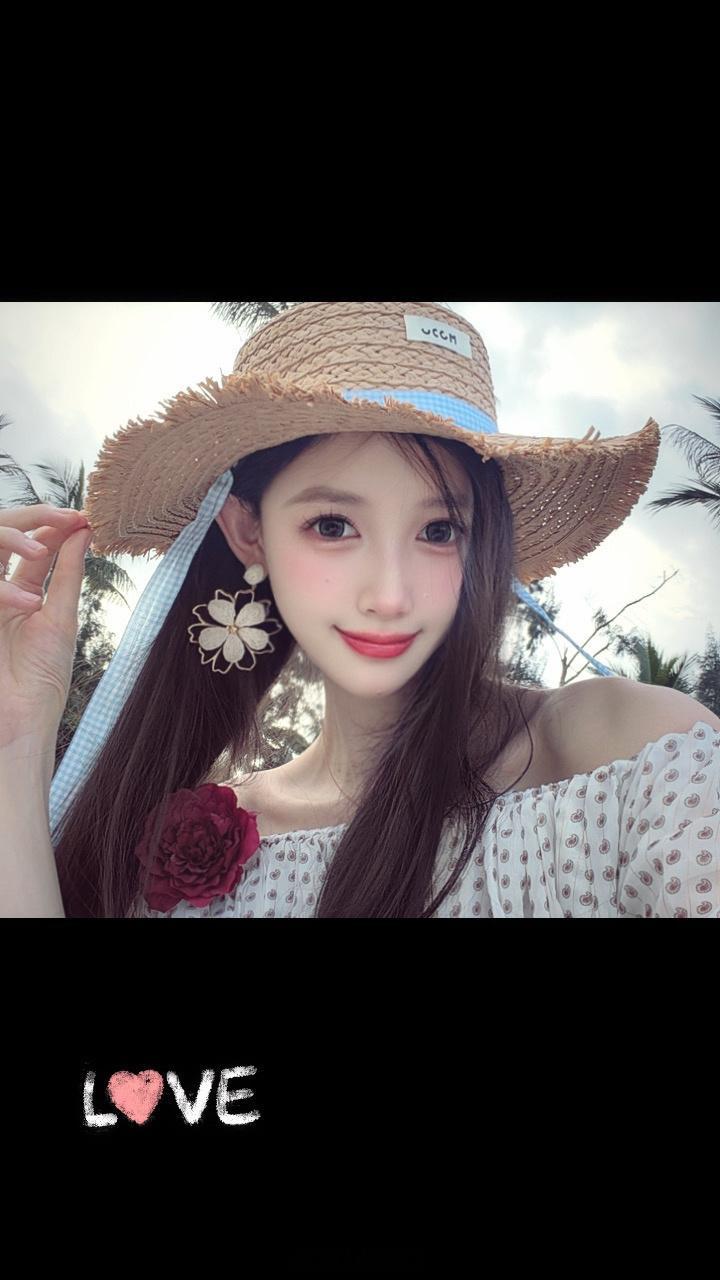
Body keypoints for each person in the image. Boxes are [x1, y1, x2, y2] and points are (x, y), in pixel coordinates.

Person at [1, 301, 718, 919]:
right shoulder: (197, 846)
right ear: (249, 531)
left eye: (439, 530)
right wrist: (18, 735)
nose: (390, 595)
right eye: (333, 526)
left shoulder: (623, 751)